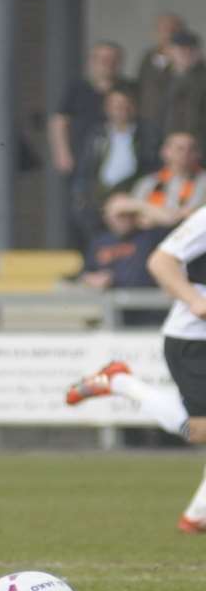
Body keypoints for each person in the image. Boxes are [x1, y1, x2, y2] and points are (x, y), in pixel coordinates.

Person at [67, 200, 206, 533]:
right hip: (195, 339)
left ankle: (197, 515)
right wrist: (194, 301)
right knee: (200, 431)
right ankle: (121, 383)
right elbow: (161, 261)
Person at [52, 41, 130, 240]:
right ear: (92, 61)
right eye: (102, 59)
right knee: (80, 209)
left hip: (115, 161)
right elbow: (59, 121)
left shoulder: (127, 88)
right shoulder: (77, 88)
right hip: (82, 159)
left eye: (112, 59)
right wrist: (62, 152)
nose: (107, 64)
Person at [71, 89, 157, 243]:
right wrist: (81, 198)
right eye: (116, 105)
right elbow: (85, 170)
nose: (121, 110)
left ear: (134, 107)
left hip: (131, 196)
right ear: (107, 108)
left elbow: (150, 169)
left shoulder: (147, 134)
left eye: (125, 105)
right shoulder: (96, 134)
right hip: (98, 199)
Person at [122, 131, 206, 231]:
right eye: (180, 149)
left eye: (192, 149)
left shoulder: (203, 180)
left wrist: (144, 209)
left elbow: (194, 215)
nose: (186, 153)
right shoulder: (149, 182)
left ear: (199, 154)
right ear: (165, 152)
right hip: (148, 235)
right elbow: (136, 218)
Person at [79, 193, 160, 292]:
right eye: (119, 215)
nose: (124, 219)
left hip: (143, 300)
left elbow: (172, 219)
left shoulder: (149, 236)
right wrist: (94, 279)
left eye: (128, 214)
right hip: (110, 302)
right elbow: (85, 273)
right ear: (107, 217)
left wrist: (138, 206)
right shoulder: (99, 241)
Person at [141, 29, 206, 150]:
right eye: (180, 49)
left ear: (198, 53)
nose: (185, 53)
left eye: (190, 49)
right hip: (161, 145)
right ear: (170, 51)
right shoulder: (157, 80)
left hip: (196, 148)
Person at [135, 12, 185, 90]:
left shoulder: (191, 59)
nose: (169, 34)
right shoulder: (148, 58)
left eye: (173, 30)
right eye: (165, 29)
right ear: (156, 33)